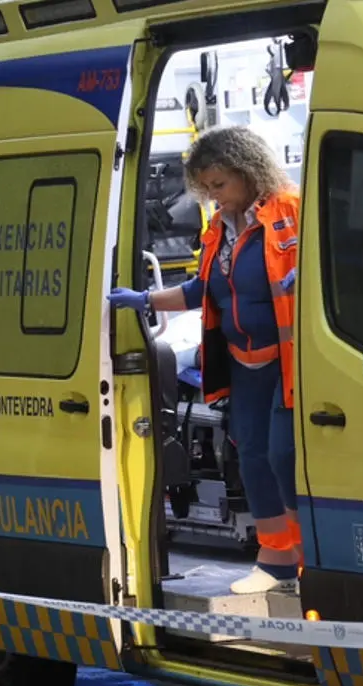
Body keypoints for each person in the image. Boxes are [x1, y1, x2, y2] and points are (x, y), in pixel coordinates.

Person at [107, 126, 303, 595]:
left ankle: (308, 559)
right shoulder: (218, 229)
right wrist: (145, 299)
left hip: (288, 360)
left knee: (283, 454)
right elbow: (202, 290)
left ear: (248, 172)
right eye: (207, 187)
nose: (214, 195)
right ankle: (276, 562)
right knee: (252, 457)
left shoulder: (290, 212)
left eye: (221, 185)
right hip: (242, 362)